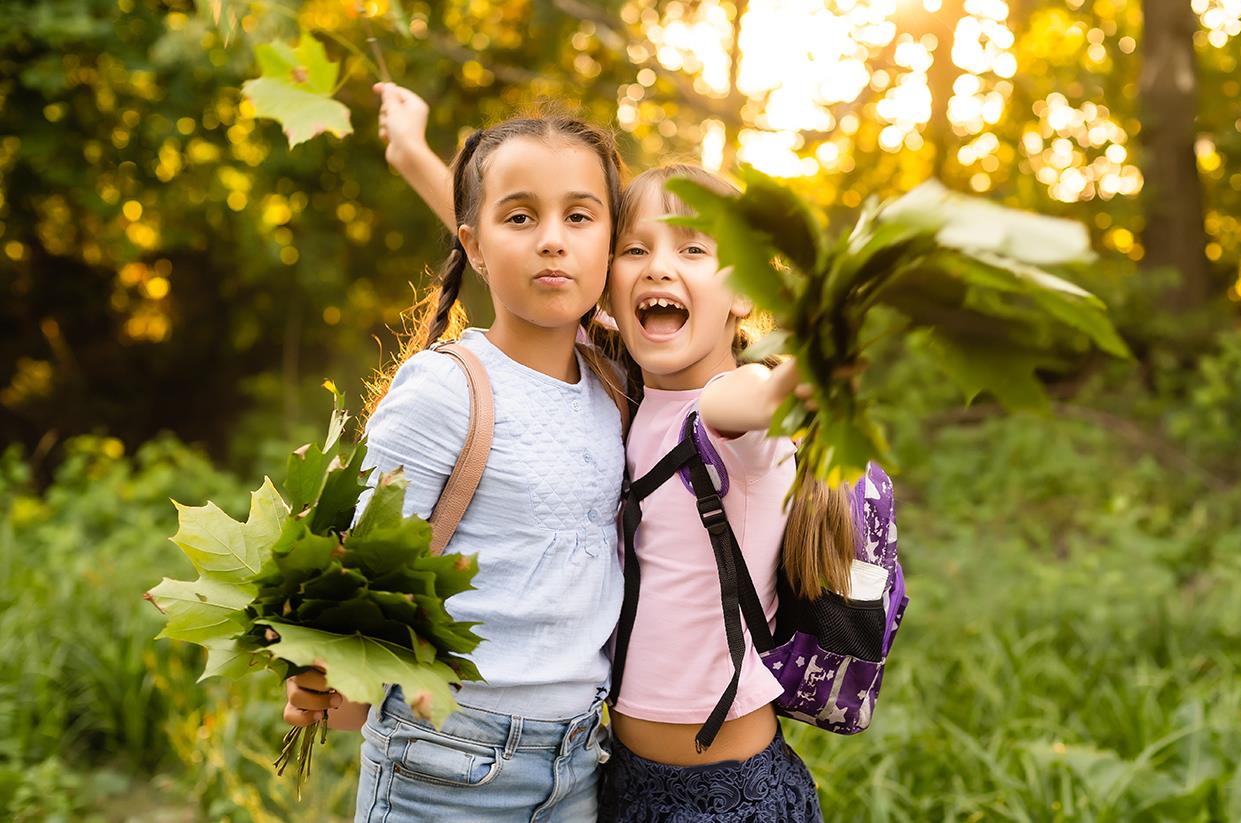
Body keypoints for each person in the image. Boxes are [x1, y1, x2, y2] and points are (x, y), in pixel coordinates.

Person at [283, 107, 630, 821]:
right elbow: (355, 567)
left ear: (612, 241)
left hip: (579, 765)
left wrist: (412, 148)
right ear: (472, 244)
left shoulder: (620, 385)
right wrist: (319, 668)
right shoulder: (447, 388)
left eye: (580, 217)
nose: (553, 242)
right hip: (443, 763)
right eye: (521, 218)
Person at [598, 165, 843, 821]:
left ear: (744, 291)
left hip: (729, 800)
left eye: (693, 249)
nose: (658, 267)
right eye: (635, 248)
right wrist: (417, 154)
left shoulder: (724, 412)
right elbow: (514, 257)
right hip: (626, 784)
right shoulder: (624, 400)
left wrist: (797, 376)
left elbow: (751, 397)